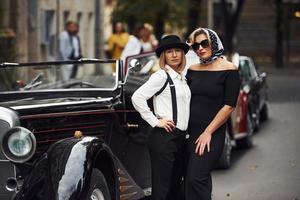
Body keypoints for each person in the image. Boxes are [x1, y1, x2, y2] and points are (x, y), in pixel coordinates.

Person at [131, 35, 191, 200]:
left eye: (177, 51)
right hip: (164, 138)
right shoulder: (161, 76)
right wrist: (156, 121)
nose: (174, 55)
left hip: (180, 138)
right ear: (164, 56)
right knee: (162, 189)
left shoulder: (182, 79)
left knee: (175, 186)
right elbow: (137, 97)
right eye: (169, 51)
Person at [184, 27, 240, 200]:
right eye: (195, 46)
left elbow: (229, 105)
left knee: (195, 178)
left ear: (214, 43)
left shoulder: (229, 69)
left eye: (204, 43)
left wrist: (208, 132)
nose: (200, 48)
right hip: (189, 133)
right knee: (197, 179)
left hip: (211, 134)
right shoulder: (192, 69)